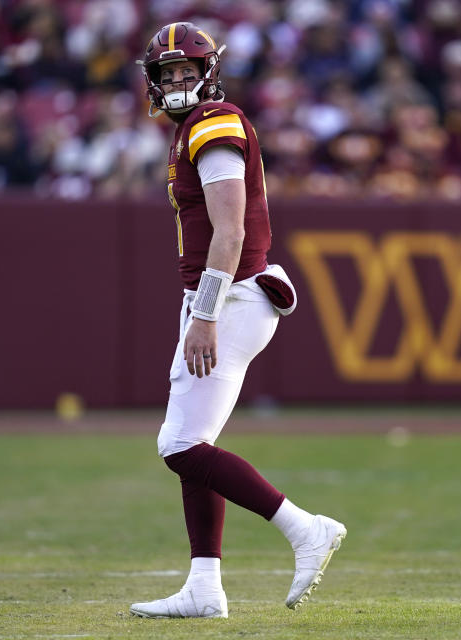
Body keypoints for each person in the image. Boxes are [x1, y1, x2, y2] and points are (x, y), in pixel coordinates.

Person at [129, 22, 346, 619]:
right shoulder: (192, 129)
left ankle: (306, 530)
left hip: (228, 298)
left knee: (179, 445)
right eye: (167, 74)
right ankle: (204, 586)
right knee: (193, 442)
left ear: (208, 72)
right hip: (222, 297)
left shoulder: (214, 122)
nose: (177, 82)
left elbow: (231, 230)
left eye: (186, 71)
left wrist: (204, 314)